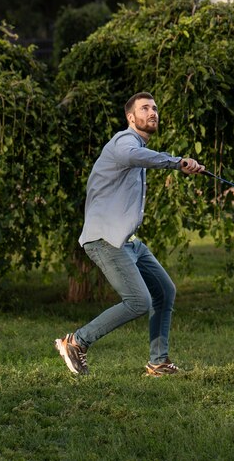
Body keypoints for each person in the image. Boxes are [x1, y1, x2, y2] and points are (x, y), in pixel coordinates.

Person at [55, 91, 205, 376]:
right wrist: (176, 161)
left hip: (127, 241)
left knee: (164, 291)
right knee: (139, 301)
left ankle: (157, 362)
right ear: (130, 117)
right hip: (105, 240)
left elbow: (140, 160)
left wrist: (182, 164)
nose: (152, 112)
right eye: (144, 108)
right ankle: (76, 342)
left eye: (155, 108)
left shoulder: (139, 147)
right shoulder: (124, 141)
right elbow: (132, 156)